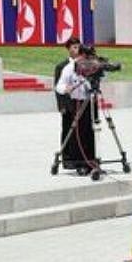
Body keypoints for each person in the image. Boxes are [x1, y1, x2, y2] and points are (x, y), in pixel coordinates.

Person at [55, 42, 96, 175]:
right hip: (74, 103)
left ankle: (91, 160)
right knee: (76, 133)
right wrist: (65, 90)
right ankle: (77, 162)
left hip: (88, 103)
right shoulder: (69, 67)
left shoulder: (93, 64)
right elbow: (59, 86)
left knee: (89, 132)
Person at [54, 37, 82, 170]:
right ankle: (67, 159)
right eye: (74, 47)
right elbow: (58, 88)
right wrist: (62, 106)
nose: (77, 50)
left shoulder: (84, 64)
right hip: (68, 105)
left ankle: (80, 157)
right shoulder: (61, 66)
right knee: (67, 131)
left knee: (82, 132)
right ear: (68, 49)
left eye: (78, 47)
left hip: (82, 104)